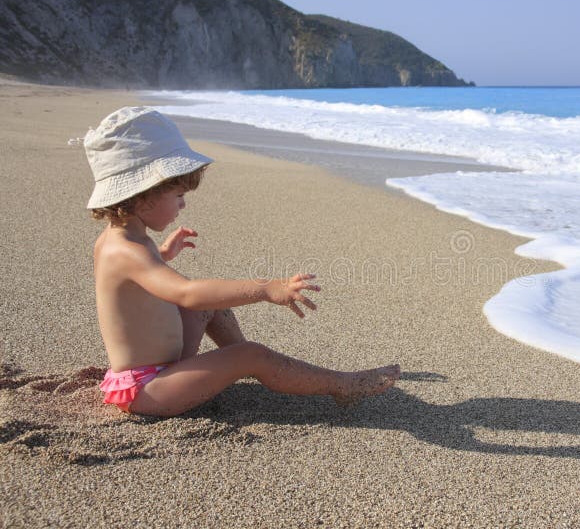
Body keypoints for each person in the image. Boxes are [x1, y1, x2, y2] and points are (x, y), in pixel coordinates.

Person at [86, 106, 400, 417]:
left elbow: (130, 286)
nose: (183, 203)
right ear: (142, 195)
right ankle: (342, 385)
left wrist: (163, 256)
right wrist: (266, 289)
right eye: (178, 194)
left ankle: (242, 367)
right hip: (149, 389)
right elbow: (186, 293)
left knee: (213, 307)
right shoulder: (128, 250)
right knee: (251, 353)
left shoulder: (123, 239)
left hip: (166, 367)